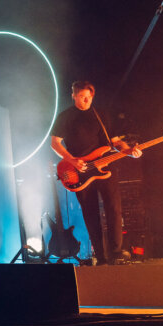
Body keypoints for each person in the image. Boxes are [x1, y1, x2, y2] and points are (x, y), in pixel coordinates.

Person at [50, 81, 141, 265]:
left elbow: (114, 141)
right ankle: (100, 256)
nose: (86, 100)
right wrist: (71, 160)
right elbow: (55, 143)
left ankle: (116, 251)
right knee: (90, 213)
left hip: (105, 166)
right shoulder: (65, 117)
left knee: (114, 208)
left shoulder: (101, 114)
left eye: (89, 97)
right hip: (80, 171)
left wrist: (130, 150)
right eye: (82, 96)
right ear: (73, 95)